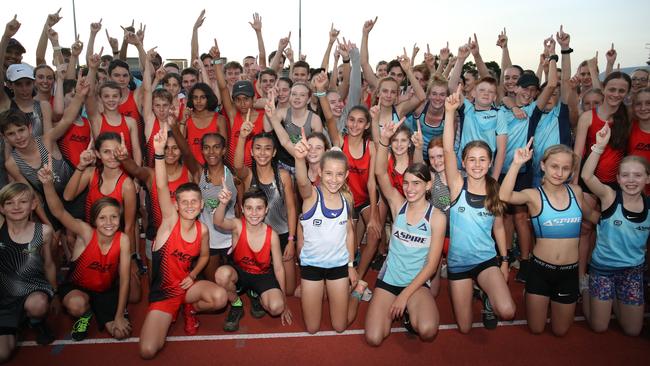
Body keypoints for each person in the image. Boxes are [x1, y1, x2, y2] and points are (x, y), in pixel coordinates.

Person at [139, 126, 227, 359]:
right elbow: (159, 186)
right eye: (184, 202)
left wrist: (194, 274)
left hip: (186, 289)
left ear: (201, 205)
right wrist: (158, 153)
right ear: (176, 205)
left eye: (194, 202)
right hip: (165, 295)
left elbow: (205, 256)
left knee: (220, 298)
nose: (189, 206)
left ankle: (190, 309)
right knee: (148, 351)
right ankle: (173, 312)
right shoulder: (169, 222)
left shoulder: (203, 230)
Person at [363, 117, 445, 346]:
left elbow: (431, 265)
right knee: (374, 338)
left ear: (428, 186)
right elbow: (380, 173)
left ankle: (410, 311)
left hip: (417, 282)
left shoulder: (437, 217)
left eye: (417, 183)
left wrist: (405, 296)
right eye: (407, 183)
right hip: (390, 278)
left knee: (427, 330)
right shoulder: (398, 204)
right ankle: (400, 308)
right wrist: (384, 141)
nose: (410, 189)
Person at [443, 85, 515, 332]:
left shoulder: (496, 190)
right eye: (471, 159)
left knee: (507, 310)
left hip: (486, 259)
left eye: (482, 159)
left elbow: (499, 228)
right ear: (463, 162)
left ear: (491, 161)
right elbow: (447, 150)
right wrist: (450, 112)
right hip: (458, 263)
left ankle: (486, 296)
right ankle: (477, 290)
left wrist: (504, 261)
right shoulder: (456, 185)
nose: (476, 164)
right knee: (464, 328)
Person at [500, 141, 588, 336]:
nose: (559, 172)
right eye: (554, 166)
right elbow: (504, 196)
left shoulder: (577, 193)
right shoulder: (533, 195)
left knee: (560, 332)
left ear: (572, 171)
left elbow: (594, 220)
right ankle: (532, 292)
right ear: (542, 166)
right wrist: (516, 164)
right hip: (540, 270)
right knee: (536, 329)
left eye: (566, 168)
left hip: (569, 272)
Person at [39, 163, 131, 341]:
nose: (109, 222)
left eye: (113, 217)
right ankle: (86, 314)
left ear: (119, 219)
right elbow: (59, 212)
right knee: (77, 305)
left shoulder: (123, 240)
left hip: (105, 289)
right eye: (102, 218)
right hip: (78, 288)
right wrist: (47, 185)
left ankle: (104, 310)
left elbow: (124, 279)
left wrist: (119, 315)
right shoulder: (86, 232)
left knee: (121, 333)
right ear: (94, 220)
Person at [581, 124, 650, 336]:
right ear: (618, 179)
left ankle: (617, 297)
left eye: (637, 176)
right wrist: (599, 147)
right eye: (626, 175)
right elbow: (587, 177)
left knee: (632, 331)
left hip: (632, 271)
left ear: (647, 179)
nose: (631, 180)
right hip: (603, 269)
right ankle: (585, 288)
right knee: (599, 327)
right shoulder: (610, 197)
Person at [293, 133, 358, 334]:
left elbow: (349, 233)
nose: (333, 179)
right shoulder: (311, 196)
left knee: (340, 327)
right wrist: (298, 158)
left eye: (339, 174)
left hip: (338, 266)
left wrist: (351, 266)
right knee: (312, 328)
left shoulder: (346, 199)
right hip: (312, 267)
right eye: (328, 173)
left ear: (346, 175)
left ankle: (356, 294)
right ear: (320, 171)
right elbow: (302, 182)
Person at [214, 188, 293, 331]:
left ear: (266, 209)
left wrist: (285, 301)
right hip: (240, 273)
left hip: (262, 276)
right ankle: (237, 304)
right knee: (221, 274)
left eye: (259, 208)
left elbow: (279, 269)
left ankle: (255, 294)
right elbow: (218, 222)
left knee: (276, 308)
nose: (254, 213)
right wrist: (222, 204)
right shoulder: (237, 225)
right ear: (242, 209)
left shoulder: (272, 235)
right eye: (249, 208)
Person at [233, 121, 298, 297]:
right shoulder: (248, 175)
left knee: (290, 290)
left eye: (267, 148)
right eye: (258, 148)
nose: (263, 153)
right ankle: (258, 284)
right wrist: (242, 137)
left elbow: (292, 209)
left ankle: (265, 281)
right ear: (252, 152)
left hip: (282, 234)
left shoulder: (283, 175)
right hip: (256, 236)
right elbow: (237, 166)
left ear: (274, 152)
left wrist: (291, 240)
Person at [0, 183, 56, 362]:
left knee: (38, 305)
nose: (16, 207)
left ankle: (36, 322)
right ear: (1, 208)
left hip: (32, 290)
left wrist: (55, 294)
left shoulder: (44, 232)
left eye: (23, 201)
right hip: (4, 298)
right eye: (9, 203)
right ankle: (17, 324)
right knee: (2, 355)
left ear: (33, 205)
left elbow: (48, 264)